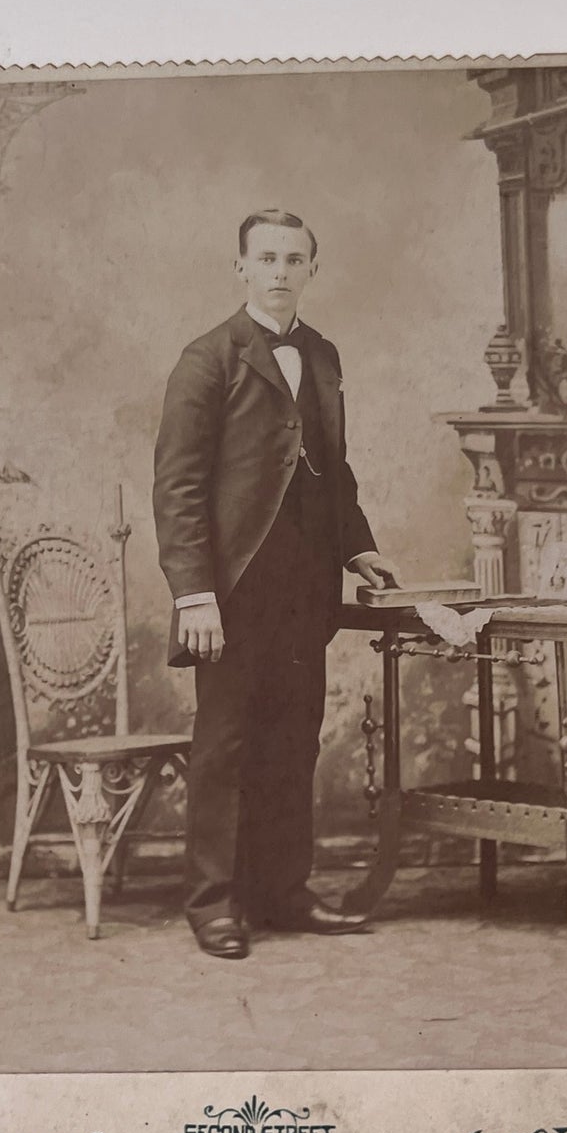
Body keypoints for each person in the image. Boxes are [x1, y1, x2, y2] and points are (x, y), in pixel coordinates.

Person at [153, 209, 401, 960]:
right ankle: (213, 902)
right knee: (225, 746)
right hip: (231, 590)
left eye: (295, 258)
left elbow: (334, 468)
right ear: (241, 268)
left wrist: (357, 549)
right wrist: (194, 593)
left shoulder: (321, 354)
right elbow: (178, 487)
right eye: (266, 257)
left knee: (292, 741)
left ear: (312, 269)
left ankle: (283, 892)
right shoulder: (208, 358)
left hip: (305, 584)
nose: (280, 270)